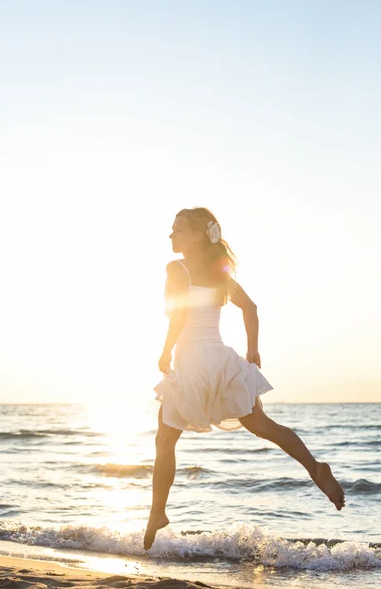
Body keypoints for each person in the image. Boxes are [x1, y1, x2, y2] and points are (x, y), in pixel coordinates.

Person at [144, 207, 345, 550]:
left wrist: (165, 351)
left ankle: (158, 511)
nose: (171, 235)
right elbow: (250, 308)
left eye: (177, 230)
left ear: (195, 235)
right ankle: (314, 467)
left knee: (165, 440)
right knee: (263, 426)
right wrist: (252, 352)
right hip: (222, 360)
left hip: (192, 364)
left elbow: (179, 314)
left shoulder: (176, 269)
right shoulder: (218, 273)